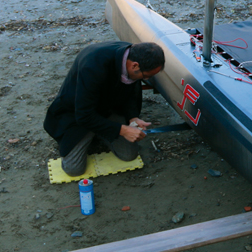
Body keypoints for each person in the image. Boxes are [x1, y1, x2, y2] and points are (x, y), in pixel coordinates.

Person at [44, 41, 165, 176]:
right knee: (74, 170)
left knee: (129, 155)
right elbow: (84, 115)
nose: (146, 79)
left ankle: (99, 133)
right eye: (146, 76)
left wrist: (132, 117)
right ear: (134, 65)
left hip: (107, 109)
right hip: (77, 115)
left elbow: (130, 91)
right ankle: (86, 136)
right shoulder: (93, 64)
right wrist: (123, 130)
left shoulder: (133, 56)